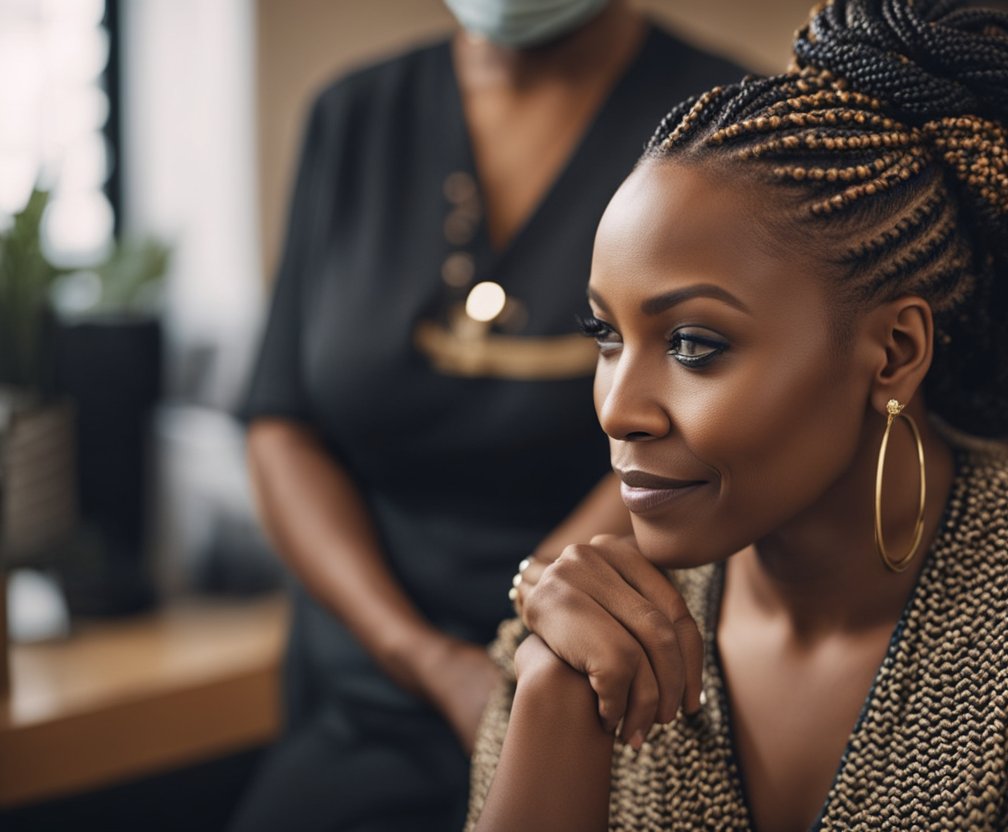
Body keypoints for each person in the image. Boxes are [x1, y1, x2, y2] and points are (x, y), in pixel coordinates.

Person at [465, 1, 1008, 830]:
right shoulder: (578, 626)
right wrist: (551, 705)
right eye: (606, 335)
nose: (619, 409)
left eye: (693, 344)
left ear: (894, 352)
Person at [231, 1, 746, 830]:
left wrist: (535, 621)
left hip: (610, 668)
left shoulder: (723, 123)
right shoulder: (355, 117)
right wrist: (423, 658)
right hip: (371, 681)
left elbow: (724, 409)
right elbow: (281, 422)